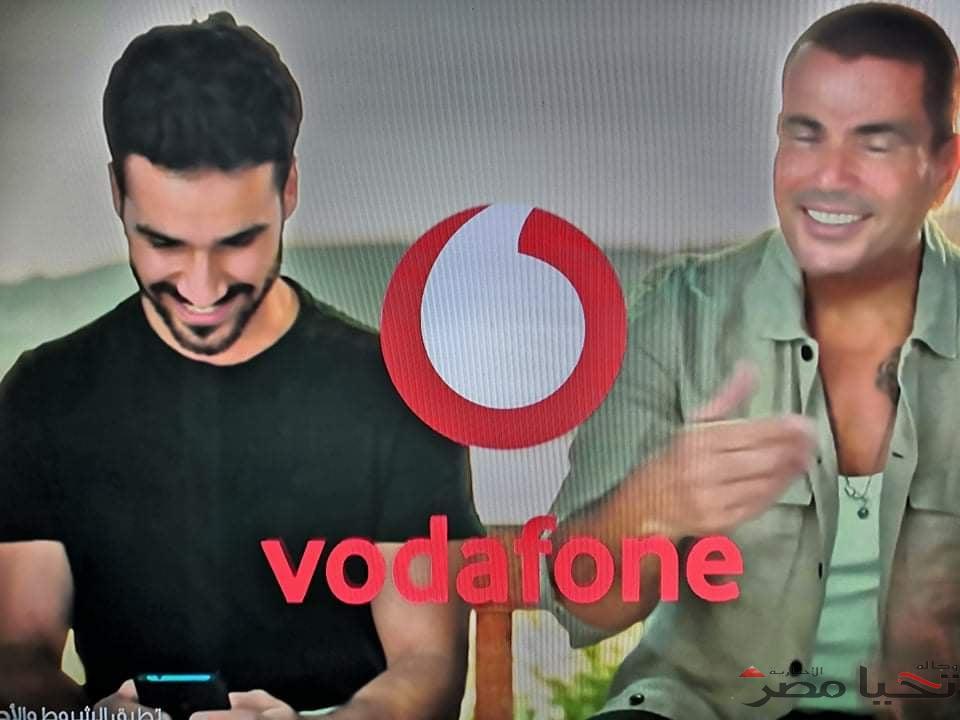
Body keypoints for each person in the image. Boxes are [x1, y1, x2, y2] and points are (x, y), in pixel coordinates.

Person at [0, 12, 483, 719]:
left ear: (289, 188)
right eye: (164, 243)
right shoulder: (45, 394)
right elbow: (16, 656)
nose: (202, 288)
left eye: (237, 242)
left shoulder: (401, 393)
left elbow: (429, 668)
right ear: (117, 196)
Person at [542, 4, 960, 719]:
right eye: (805, 135)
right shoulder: (681, 312)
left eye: (875, 144)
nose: (828, 176)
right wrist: (656, 501)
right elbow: (581, 604)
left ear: (944, 170)